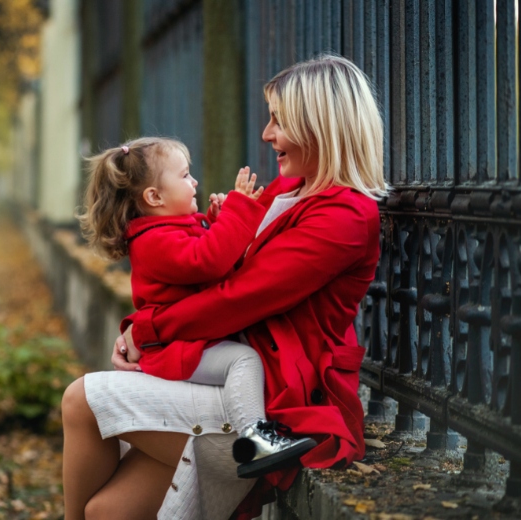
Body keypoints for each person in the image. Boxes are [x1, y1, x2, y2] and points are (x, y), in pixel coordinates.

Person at [62, 54, 388, 520]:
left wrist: (148, 330)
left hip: (275, 401)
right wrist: (142, 326)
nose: (266, 134)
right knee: (107, 512)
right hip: (227, 376)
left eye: (279, 120)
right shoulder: (284, 191)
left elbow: (240, 298)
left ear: (319, 125)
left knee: (81, 401)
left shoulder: (345, 215)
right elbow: (213, 263)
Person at [77, 136, 316, 478]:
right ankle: (254, 442)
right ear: (154, 197)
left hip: (187, 337)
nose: (195, 182)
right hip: (175, 346)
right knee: (243, 360)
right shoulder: (153, 240)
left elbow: (206, 263)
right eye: (186, 176)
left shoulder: (168, 228)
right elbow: (209, 263)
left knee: (242, 359)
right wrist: (238, 210)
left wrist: (217, 222)